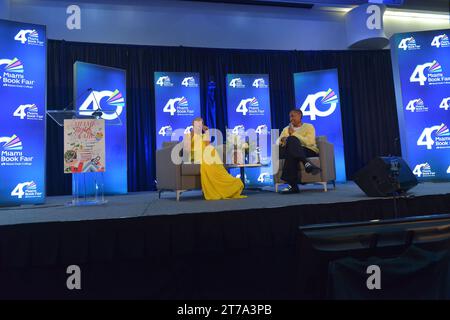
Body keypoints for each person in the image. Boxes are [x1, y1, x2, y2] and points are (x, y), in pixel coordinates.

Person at [183, 117, 246, 200]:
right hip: (197, 155)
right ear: (193, 125)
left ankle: (230, 183)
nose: (199, 126)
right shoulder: (189, 135)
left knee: (211, 152)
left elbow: (207, 144)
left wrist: (207, 132)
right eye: (197, 124)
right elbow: (186, 148)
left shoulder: (204, 134)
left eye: (200, 124)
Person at [277, 109, 321, 194]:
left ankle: (293, 186)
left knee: (291, 144)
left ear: (300, 115)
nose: (291, 119)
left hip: (308, 150)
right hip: (291, 151)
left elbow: (310, 142)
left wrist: (294, 134)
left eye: (293, 116)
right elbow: (280, 141)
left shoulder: (309, 126)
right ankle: (306, 163)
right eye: (290, 116)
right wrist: (283, 139)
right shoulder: (286, 129)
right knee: (291, 144)